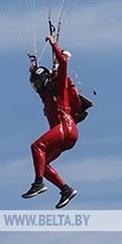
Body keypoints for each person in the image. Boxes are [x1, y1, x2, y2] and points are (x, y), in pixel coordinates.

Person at [22, 34, 79, 209]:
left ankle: (38, 183)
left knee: (36, 147)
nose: (37, 86)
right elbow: (41, 86)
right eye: (35, 84)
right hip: (65, 136)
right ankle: (65, 189)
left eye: (39, 82)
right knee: (43, 163)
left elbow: (62, 61)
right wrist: (34, 70)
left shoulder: (59, 87)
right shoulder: (45, 95)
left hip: (66, 128)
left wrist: (54, 44)